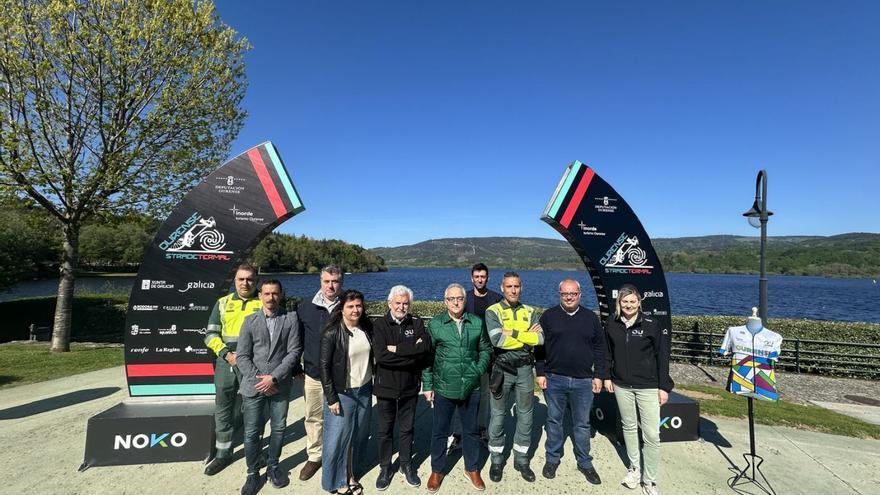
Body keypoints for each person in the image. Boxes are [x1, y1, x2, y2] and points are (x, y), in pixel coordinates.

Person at [603, 284, 674, 495]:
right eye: (624, 301)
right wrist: (607, 376)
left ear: (639, 302)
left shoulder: (652, 324)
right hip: (621, 384)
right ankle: (634, 469)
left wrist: (664, 387)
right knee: (629, 427)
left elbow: (662, 358)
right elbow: (608, 354)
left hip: (648, 386)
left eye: (632, 301)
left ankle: (650, 480)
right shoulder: (611, 323)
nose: (628, 305)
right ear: (619, 303)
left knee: (651, 434)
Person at [535, 279, 606, 485]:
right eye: (565, 293)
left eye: (573, 293)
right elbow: (539, 347)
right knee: (554, 421)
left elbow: (600, 348)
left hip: (584, 381)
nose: (569, 297)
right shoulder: (548, 316)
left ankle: (585, 462)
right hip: (554, 378)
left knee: (582, 424)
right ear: (559, 293)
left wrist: (599, 375)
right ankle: (552, 459)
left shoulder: (590, 317)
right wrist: (540, 372)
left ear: (579, 294)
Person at [236, 280, 303, 495]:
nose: (270, 297)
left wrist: (273, 378)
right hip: (253, 385)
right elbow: (242, 356)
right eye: (266, 293)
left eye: (274, 293)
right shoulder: (250, 321)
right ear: (260, 296)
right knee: (252, 432)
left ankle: (273, 466)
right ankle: (252, 473)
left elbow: (294, 352)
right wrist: (261, 380)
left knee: (279, 427)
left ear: (281, 294)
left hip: (280, 385)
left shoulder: (290, 319)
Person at [422, 283, 490, 493]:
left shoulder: (476, 323)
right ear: (445, 302)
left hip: (471, 387)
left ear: (465, 300)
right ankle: (437, 470)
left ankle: (472, 468)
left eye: (459, 298)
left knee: (471, 431)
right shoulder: (435, 325)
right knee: (440, 431)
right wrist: (428, 384)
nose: (456, 302)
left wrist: (477, 371)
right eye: (451, 299)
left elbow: (486, 350)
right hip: (444, 387)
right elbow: (428, 357)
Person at [203, 264, 263, 475]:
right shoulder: (222, 303)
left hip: (254, 363)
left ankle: (255, 450)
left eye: (250, 279)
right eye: (241, 279)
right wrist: (227, 355)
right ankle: (223, 454)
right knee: (223, 408)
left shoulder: (263, 301)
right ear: (235, 281)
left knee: (255, 409)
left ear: (256, 281)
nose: (245, 283)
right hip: (226, 361)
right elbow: (210, 336)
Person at [372, 285, 432, 490]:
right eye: (398, 303)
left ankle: (406, 465)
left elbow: (423, 350)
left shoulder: (416, 323)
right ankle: (385, 467)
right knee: (385, 431)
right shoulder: (379, 325)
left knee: (407, 429)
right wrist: (411, 355)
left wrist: (397, 349)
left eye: (405, 303)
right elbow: (381, 356)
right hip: (385, 387)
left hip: (409, 387)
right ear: (389, 303)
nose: (402, 306)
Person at [485, 271, 542, 482]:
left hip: (525, 370)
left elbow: (540, 339)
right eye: (509, 286)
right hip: (502, 370)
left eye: (516, 286)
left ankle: (521, 459)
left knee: (526, 415)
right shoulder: (493, 311)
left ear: (521, 287)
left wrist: (514, 333)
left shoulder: (530, 311)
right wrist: (527, 337)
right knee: (498, 416)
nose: (513, 290)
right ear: (502, 288)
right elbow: (497, 340)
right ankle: (497, 460)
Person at [320, 289, 374, 495]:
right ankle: (335, 481)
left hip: (365, 389)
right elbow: (324, 367)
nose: (355, 310)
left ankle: (351, 474)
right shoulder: (332, 332)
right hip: (343, 393)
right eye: (350, 306)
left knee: (357, 436)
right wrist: (331, 397)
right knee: (337, 439)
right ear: (341, 308)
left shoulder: (367, 327)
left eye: (358, 305)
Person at [297, 265, 343, 481]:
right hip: (314, 375)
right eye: (327, 281)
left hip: (341, 377)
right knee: (314, 417)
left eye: (335, 281)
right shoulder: (306, 307)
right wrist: (297, 368)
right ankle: (315, 456)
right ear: (320, 282)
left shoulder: (349, 305)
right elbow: (297, 339)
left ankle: (336, 455)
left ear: (340, 283)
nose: (331, 286)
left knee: (338, 418)